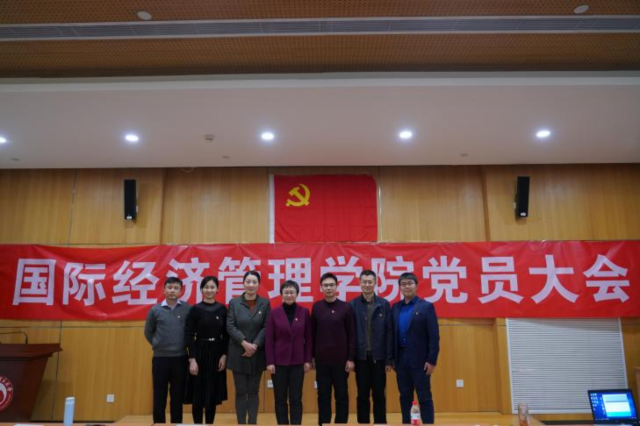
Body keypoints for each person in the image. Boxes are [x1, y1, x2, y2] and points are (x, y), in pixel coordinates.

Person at [392, 272, 440, 424]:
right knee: (404, 396)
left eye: (410, 283)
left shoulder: (426, 307)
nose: (406, 287)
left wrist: (432, 360)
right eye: (403, 284)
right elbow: (391, 335)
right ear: (400, 287)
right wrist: (391, 359)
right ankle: (407, 423)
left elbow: (434, 336)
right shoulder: (395, 307)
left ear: (416, 286)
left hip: (421, 361)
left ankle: (428, 423)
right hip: (400, 359)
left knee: (424, 396)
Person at [144, 276, 191, 424]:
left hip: (180, 358)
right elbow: (148, 332)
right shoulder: (155, 310)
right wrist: (157, 344)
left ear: (181, 291)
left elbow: (191, 332)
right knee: (159, 394)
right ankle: (159, 423)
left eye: (176, 288)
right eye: (169, 287)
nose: (172, 291)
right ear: (164, 290)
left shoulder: (187, 309)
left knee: (177, 395)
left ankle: (176, 423)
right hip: (160, 358)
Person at [266, 280, 313, 425]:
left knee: (296, 398)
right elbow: (269, 340)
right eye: (286, 292)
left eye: (292, 292)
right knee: (280, 399)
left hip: (298, 362)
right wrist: (270, 362)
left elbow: (309, 339)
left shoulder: (304, 312)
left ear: (297, 294)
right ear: (281, 294)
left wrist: (308, 360)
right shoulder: (274, 313)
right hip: (278, 363)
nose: (289, 295)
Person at [227, 270, 271, 424]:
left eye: (254, 282)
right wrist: (245, 343)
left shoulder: (265, 303)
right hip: (238, 353)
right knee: (240, 392)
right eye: (248, 281)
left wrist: (255, 345)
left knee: (253, 391)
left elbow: (266, 326)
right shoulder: (234, 302)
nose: (251, 285)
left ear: (258, 284)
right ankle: (241, 423)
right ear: (243, 283)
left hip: (257, 354)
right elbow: (230, 325)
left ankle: (252, 422)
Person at [311, 272, 356, 425]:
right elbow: (312, 334)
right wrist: (312, 357)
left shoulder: (346, 307)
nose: (329, 288)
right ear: (321, 288)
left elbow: (352, 334)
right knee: (323, 396)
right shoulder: (317, 307)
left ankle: (340, 423)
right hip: (322, 362)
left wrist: (350, 358)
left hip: (341, 362)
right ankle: (324, 423)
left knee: (341, 396)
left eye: (331, 285)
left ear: (337, 287)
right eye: (325, 285)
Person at [349, 270, 393, 424]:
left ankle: (380, 423)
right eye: (364, 282)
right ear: (359, 283)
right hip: (361, 358)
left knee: (379, 395)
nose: (367, 285)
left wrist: (389, 360)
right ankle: (363, 423)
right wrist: (350, 358)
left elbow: (389, 333)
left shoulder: (384, 304)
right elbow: (350, 334)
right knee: (362, 395)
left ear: (375, 283)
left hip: (379, 358)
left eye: (370, 282)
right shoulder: (353, 305)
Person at [185, 276, 228, 424]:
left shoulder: (222, 309)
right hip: (199, 352)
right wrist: (192, 359)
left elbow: (226, 335)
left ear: (217, 289)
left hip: (216, 353)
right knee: (197, 394)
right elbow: (189, 335)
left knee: (212, 393)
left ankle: (209, 423)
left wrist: (224, 355)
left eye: (212, 287)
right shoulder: (195, 309)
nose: (209, 290)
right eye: (206, 287)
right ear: (201, 290)